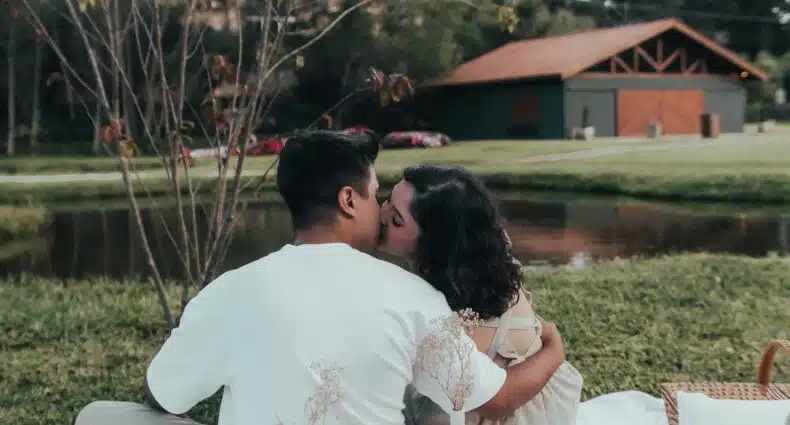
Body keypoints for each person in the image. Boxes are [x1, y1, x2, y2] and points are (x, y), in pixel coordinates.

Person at [72, 131, 566, 425]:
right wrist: (554, 350)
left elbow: (162, 395)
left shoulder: (228, 290)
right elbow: (496, 397)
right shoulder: (417, 298)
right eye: (376, 195)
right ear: (349, 200)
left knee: (98, 416)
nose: (381, 207)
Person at [380, 164, 669, 425]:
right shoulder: (476, 257)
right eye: (386, 202)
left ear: (435, 243)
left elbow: (496, 404)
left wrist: (554, 348)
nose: (380, 215)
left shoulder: (447, 319)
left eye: (395, 219)